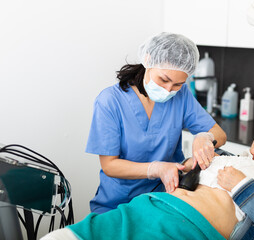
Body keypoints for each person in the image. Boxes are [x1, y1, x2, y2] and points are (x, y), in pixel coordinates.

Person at [42, 124, 254, 240]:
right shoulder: (225, 157)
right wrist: (191, 162)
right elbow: (191, 167)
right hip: (151, 206)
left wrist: (242, 186)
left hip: (189, 227)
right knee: (71, 235)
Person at [85, 32, 227, 214]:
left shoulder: (182, 96)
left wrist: (205, 137)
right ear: (148, 60)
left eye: (178, 84)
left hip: (165, 199)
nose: (169, 90)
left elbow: (219, 134)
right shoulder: (110, 101)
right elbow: (109, 165)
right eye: (164, 80)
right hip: (118, 204)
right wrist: (155, 169)